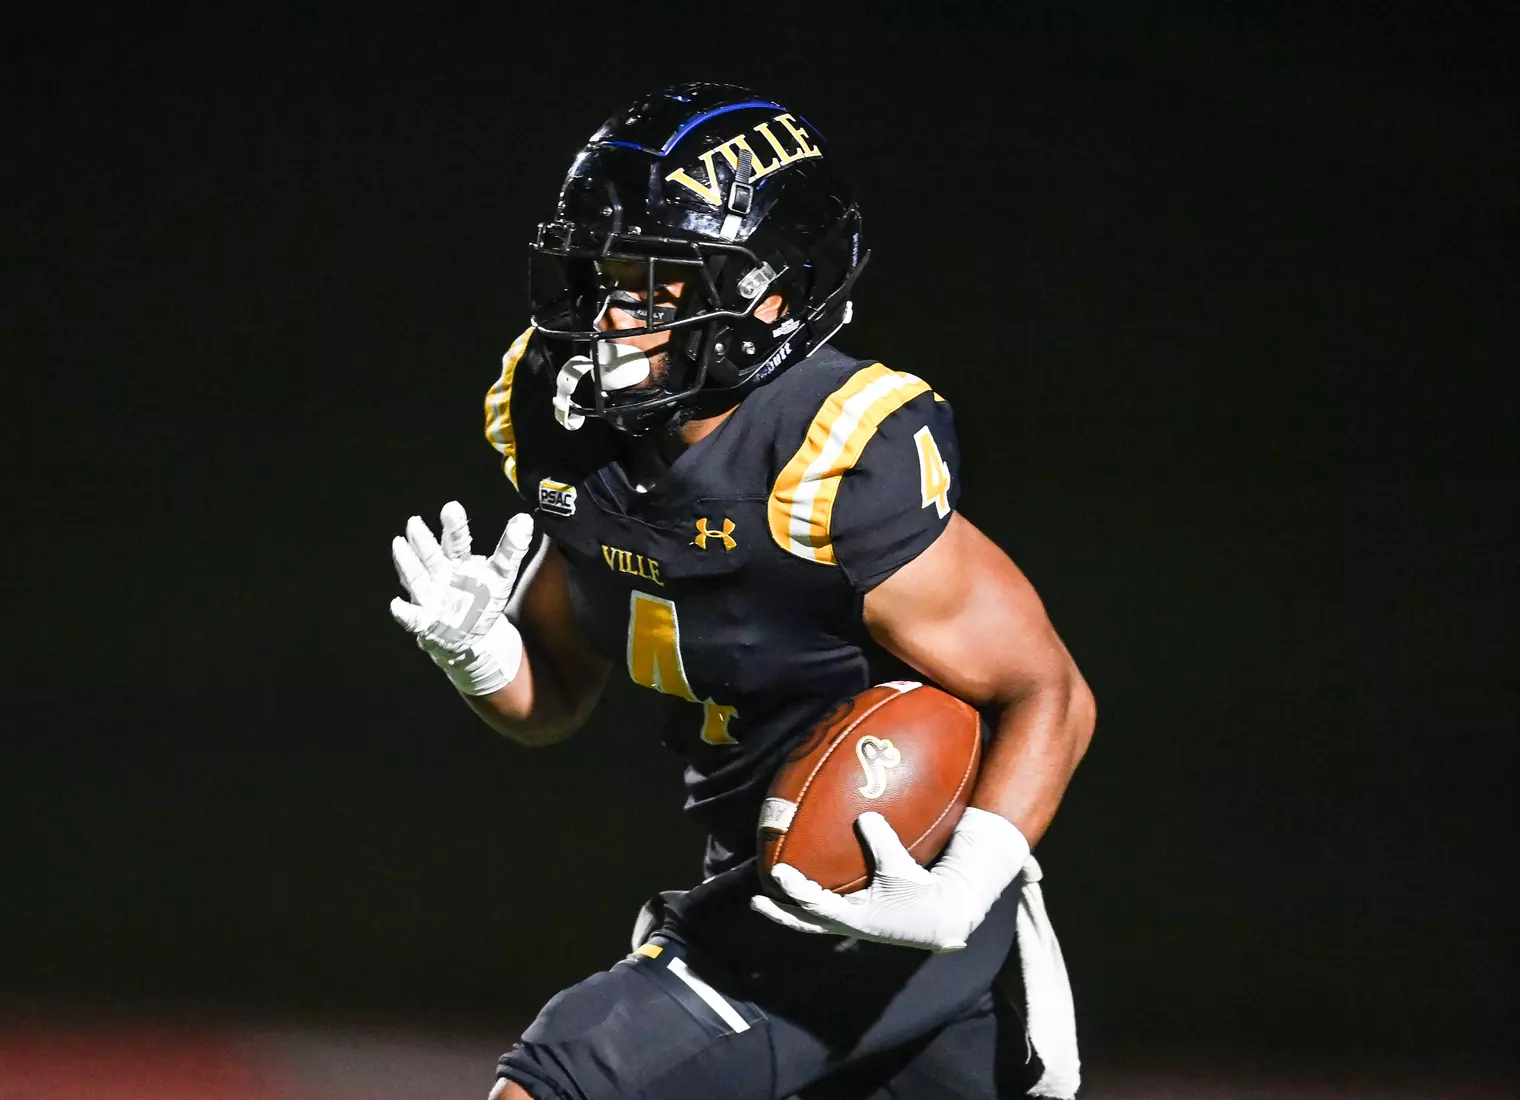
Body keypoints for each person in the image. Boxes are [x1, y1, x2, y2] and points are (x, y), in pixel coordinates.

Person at [388, 82, 1095, 1100]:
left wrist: (960, 888)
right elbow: (558, 695)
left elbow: (1050, 691)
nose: (607, 311)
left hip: (889, 889)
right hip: (766, 871)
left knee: (564, 1077)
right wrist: (482, 656)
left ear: (770, 298)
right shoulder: (574, 433)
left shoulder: (826, 463)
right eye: (598, 272)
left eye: (653, 280)